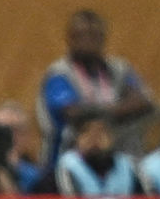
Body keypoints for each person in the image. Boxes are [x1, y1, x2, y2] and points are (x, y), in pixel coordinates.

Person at [36, 9, 153, 172]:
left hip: (121, 163)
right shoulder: (59, 73)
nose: (88, 41)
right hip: (67, 165)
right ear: (70, 39)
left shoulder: (120, 68)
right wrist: (117, 111)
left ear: (103, 39)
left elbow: (143, 102)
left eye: (94, 36)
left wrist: (96, 113)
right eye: (81, 35)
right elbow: (74, 113)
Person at [46, 108, 140, 197]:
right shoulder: (64, 170)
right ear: (76, 138)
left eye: (101, 131)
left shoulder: (130, 167)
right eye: (86, 131)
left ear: (112, 137)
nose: (94, 138)